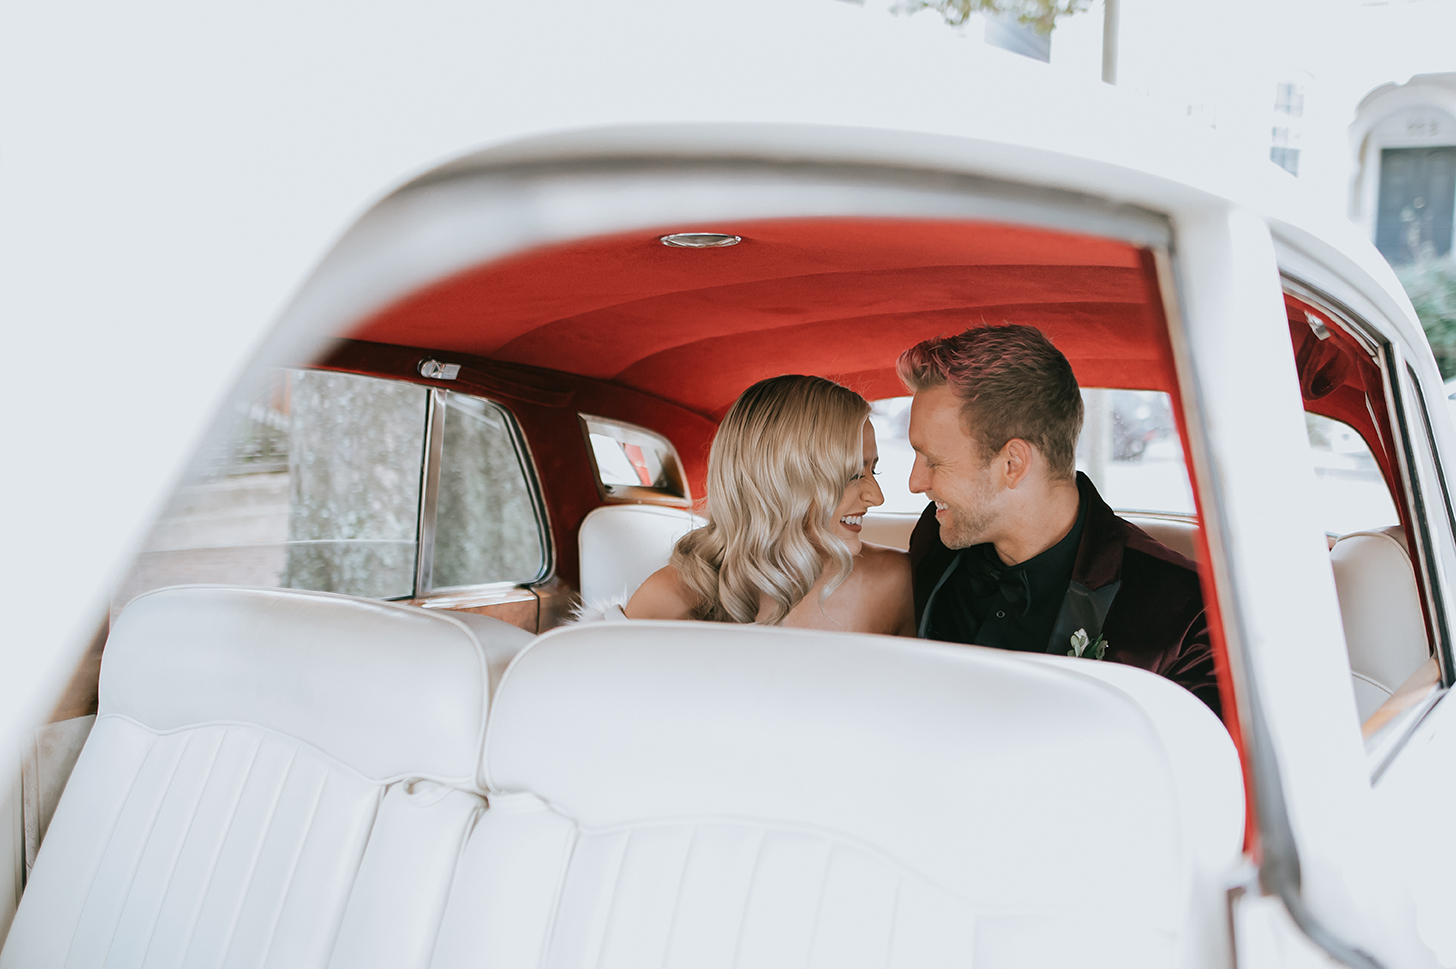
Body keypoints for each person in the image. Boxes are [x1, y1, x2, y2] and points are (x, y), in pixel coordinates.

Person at [898, 324, 1221, 718]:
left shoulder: (1187, 612)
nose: (916, 483)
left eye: (933, 460)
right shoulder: (936, 538)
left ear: (1013, 465)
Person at [627, 374, 915, 635]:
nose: (876, 497)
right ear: (782, 481)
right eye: (851, 475)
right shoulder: (671, 595)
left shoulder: (896, 581)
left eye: (872, 471)